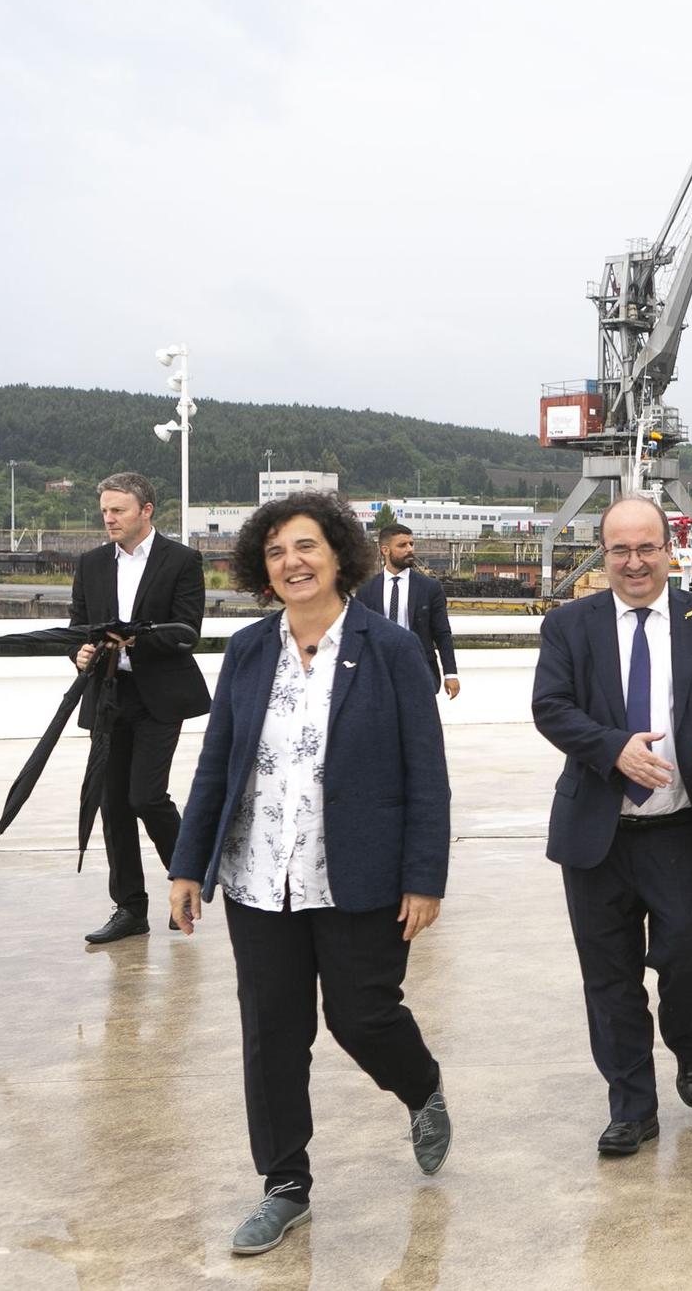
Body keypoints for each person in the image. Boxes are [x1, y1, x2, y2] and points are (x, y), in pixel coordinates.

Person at [168, 490, 453, 1256]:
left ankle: (421, 1087)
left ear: (339, 555)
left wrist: (425, 877)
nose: (291, 562)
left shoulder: (389, 648)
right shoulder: (249, 649)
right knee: (271, 1032)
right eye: (275, 552)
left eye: (306, 547)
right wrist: (188, 865)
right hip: (260, 875)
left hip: (359, 873)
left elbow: (426, 771)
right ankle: (284, 1185)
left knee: (361, 1015)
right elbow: (218, 764)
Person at [532, 497, 692, 1157]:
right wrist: (612, 747)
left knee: (687, 962)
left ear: (670, 550)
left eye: (647, 548)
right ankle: (632, 1106)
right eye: (620, 550)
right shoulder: (571, 625)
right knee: (609, 980)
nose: (634, 562)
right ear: (603, 555)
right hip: (596, 835)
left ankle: (690, 1042)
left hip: (681, 833)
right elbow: (549, 706)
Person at [69, 472, 211, 945]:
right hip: (108, 695)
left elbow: (187, 630)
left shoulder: (183, 561)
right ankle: (130, 908)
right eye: (105, 510)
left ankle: (187, 882)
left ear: (146, 510)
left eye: (118, 510)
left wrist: (137, 636)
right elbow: (79, 628)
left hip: (159, 694)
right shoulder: (89, 563)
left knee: (145, 797)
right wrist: (82, 653)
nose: (109, 518)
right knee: (112, 803)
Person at [354, 523, 461, 699]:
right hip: (380, 670)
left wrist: (450, 673)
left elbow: (442, 633)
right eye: (402, 545)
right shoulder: (367, 590)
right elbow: (359, 635)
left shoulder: (430, 587)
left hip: (419, 668)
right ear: (385, 550)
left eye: (411, 544)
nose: (410, 549)